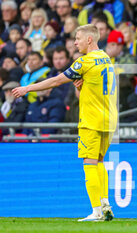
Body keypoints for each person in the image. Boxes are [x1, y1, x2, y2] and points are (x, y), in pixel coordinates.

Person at [12, 24, 117, 222]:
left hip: (91, 119)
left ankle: (96, 212)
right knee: (100, 161)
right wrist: (84, 84)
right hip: (108, 118)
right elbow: (98, 84)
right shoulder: (105, 58)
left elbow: (55, 81)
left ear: (89, 39)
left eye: (77, 38)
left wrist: (28, 88)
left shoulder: (84, 62)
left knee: (89, 163)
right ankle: (105, 205)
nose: (75, 42)